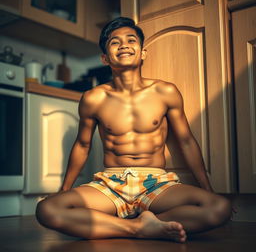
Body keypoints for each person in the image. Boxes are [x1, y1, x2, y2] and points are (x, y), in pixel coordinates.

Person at [36, 17, 232, 243]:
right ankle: (137, 227)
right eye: (114, 42)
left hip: (156, 183)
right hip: (111, 184)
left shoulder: (165, 91)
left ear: (143, 53)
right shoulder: (93, 98)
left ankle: (129, 225)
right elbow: (82, 145)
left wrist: (208, 188)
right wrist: (64, 190)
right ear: (104, 57)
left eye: (131, 40)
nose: (124, 45)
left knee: (219, 208)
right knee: (47, 210)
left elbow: (186, 141)